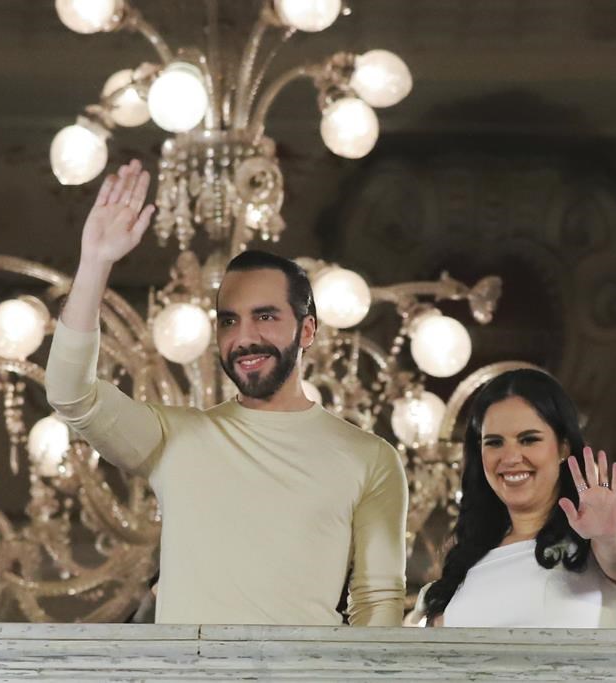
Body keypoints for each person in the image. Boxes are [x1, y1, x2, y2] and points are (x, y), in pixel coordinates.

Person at [45, 159, 408, 626]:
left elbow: (378, 607)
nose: (245, 337)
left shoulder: (369, 459)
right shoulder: (171, 439)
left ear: (308, 330)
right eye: (229, 321)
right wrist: (95, 261)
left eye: (266, 316)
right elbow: (71, 393)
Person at [416, 369, 616, 628]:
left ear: (563, 447)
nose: (510, 458)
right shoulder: (466, 553)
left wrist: (607, 534)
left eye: (528, 440)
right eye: (494, 442)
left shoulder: (597, 531)